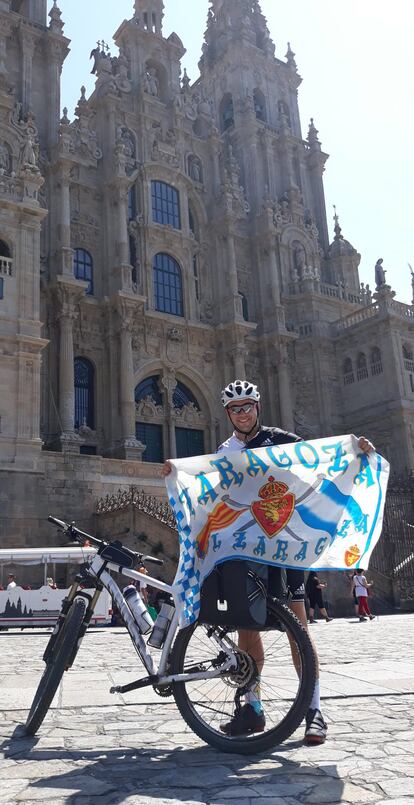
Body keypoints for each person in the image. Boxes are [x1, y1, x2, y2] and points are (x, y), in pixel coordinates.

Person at [161, 378, 375, 745]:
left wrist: (354, 449)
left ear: (257, 408)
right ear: (227, 414)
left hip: (286, 548)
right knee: (247, 629)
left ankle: (313, 710)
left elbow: (321, 462)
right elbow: (214, 495)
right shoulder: (225, 451)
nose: (243, 413)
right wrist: (177, 474)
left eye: (248, 407)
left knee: (300, 632)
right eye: (235, 409)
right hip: (249, 551)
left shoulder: (283, 442)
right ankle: (251, 707)